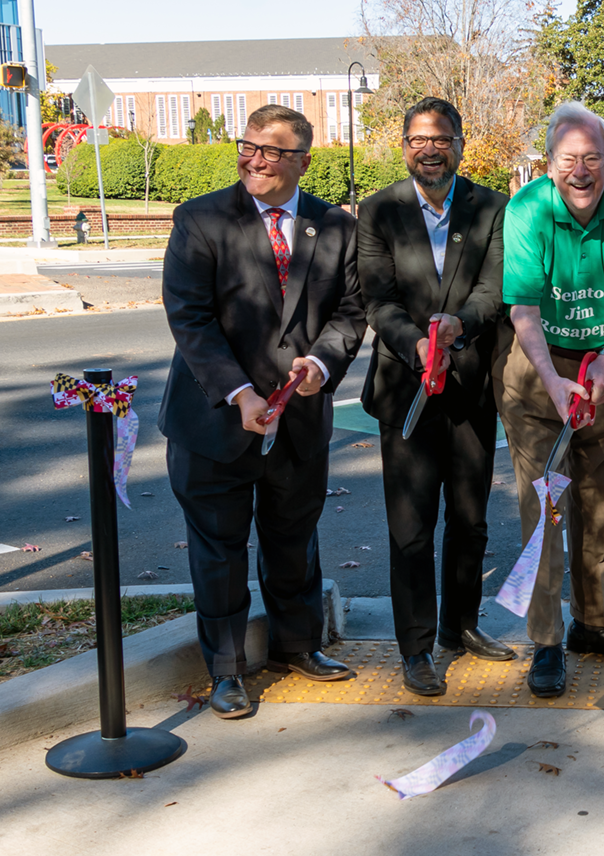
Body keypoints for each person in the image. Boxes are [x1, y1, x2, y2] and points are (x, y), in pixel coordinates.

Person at [159, 105, 366, 719]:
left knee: (293, 539)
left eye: (272, 151)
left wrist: (322, 366)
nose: (254, 158)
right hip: (216, 421)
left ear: (303, 159)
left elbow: (351, 312)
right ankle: (226, 670)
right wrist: (240, 392)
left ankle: (297, 647)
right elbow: (190, 317)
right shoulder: (200, 219)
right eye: (248, 145)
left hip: (299, 419)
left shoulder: (335, 227)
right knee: (218, 552)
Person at [495, 101, 604, 698]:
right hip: (540, 364)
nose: (581, 171)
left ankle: (594, 623)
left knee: (597, 505)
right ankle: (546, 641)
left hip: (603, 363)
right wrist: (552, 378)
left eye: (594, 158)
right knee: (546, 509)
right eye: (569, 160)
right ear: (550, 162)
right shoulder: (527, 208)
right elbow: (524, 310)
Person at [357, 97, 514, 698]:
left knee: (470, 520)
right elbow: (377, 299)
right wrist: (418, 344)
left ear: (459, 145)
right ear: (404, 146)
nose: (431, 148)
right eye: (420, 138)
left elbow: (493, 288)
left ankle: (461, 625)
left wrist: (458, 327)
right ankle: (416, 645)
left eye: (442, 139)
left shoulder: (492, 208)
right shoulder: (379, 212)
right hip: (407, 387)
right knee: (412, 524)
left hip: (471, 383)